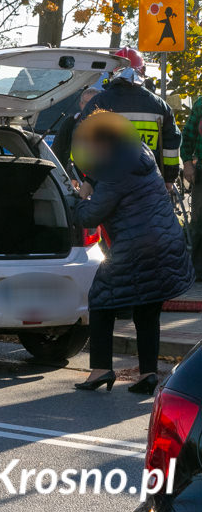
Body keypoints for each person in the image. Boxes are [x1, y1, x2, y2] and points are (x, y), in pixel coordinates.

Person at [71, 111, 194, 395]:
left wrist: (75, 199)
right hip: (166, 243)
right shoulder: (138, 154)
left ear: (103, 142)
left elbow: (91, 214)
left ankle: (101, 368)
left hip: (136, 247)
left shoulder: (115, 171)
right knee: (147, 308)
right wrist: (94, 180)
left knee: (101, 300)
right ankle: (148, 373)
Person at [78, 47, 180, 192]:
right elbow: (171, 146)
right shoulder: (159, 106)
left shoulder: (98, 103)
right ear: (142, 71)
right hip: (149, 183)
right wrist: (169, 178)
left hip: (108, 185)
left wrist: (88, 181)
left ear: (112, 71)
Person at [50, 87, 101, 173]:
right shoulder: (70, 123)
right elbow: (57, 150)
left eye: (94, 103)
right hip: (72, 175)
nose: (91, 107)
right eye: (87, 103)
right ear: (81, 104)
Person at [180, 96, 202, 278]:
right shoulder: (201, 104)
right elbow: (187, 136)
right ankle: (198, 271)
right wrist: (187, 163)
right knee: (200, 222)